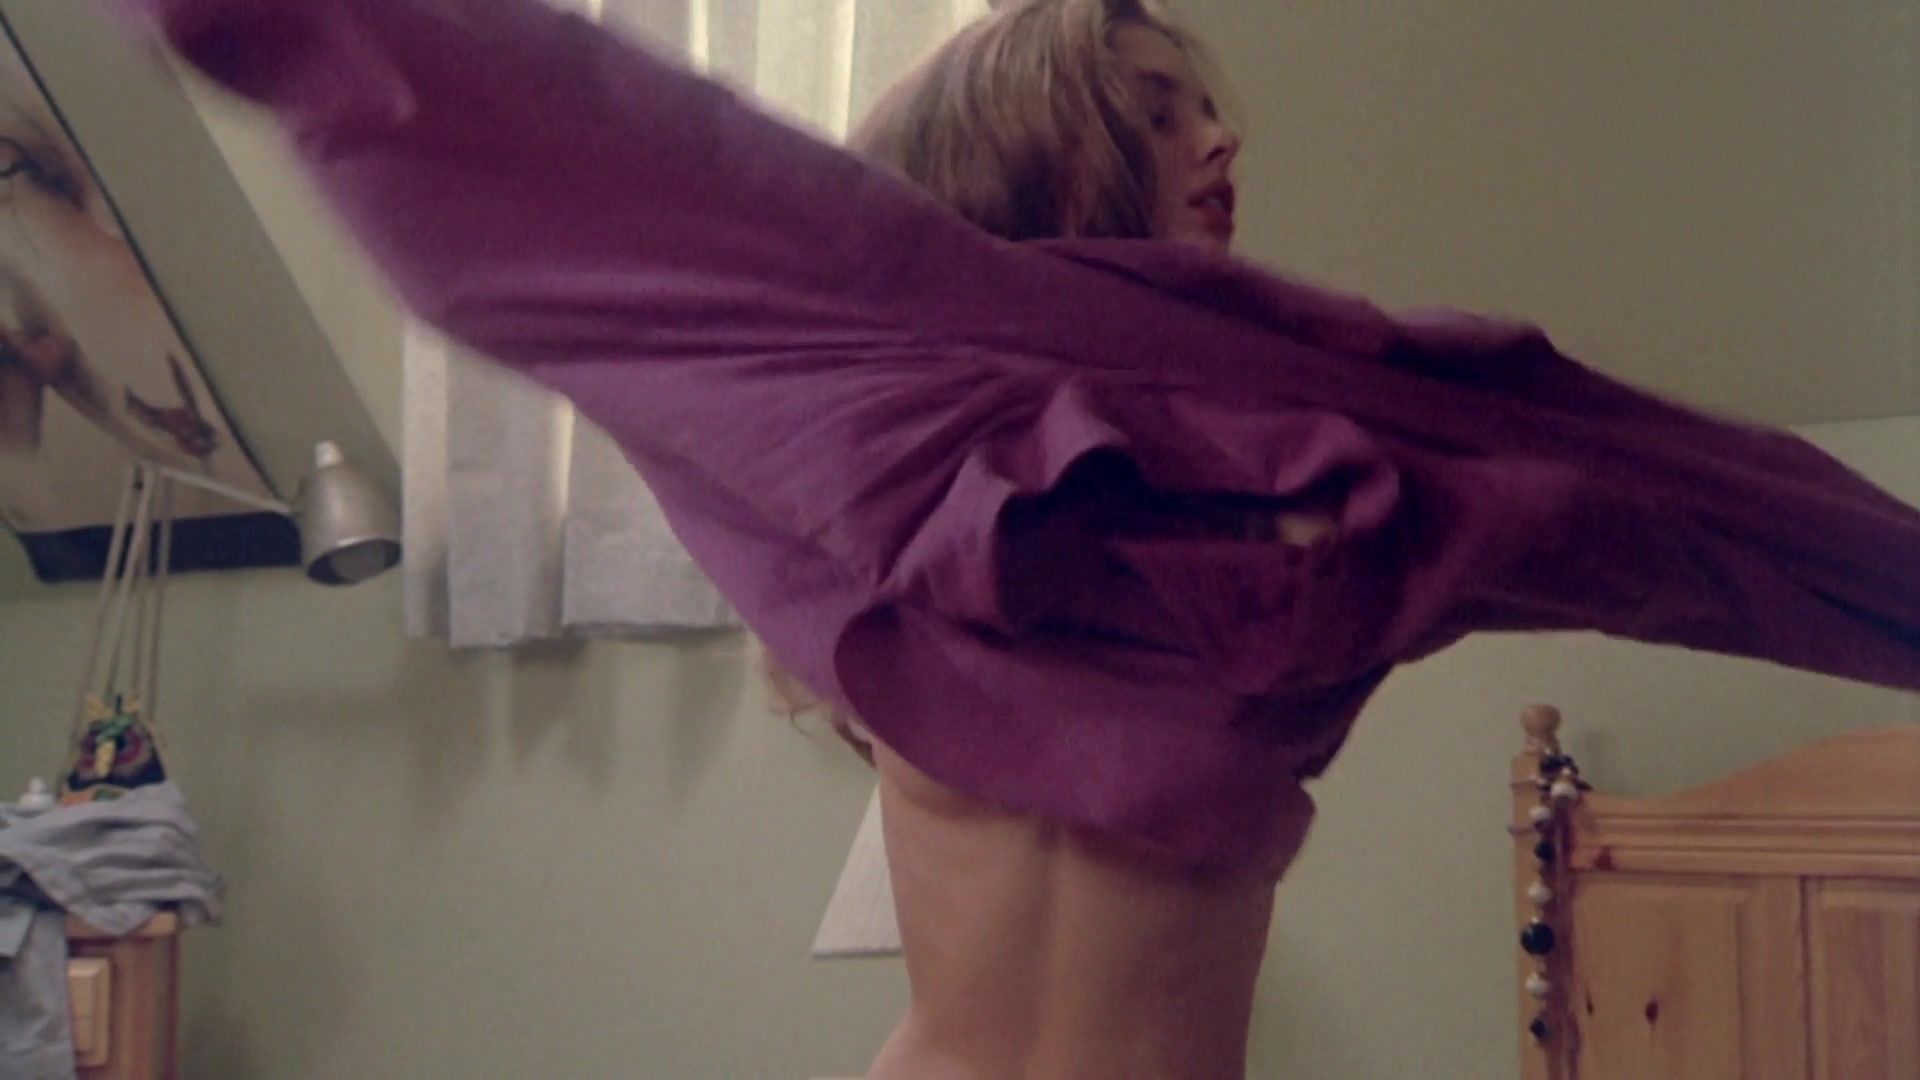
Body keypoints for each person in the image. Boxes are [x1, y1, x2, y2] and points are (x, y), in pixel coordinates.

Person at [122, 0, 1920, 1077]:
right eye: (1156, 104)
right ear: (1039, 136)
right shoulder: (874, 388)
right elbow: (592, 168)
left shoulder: (1324, 438)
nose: (1221, 136)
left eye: (1206, 103)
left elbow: (1666, 507)